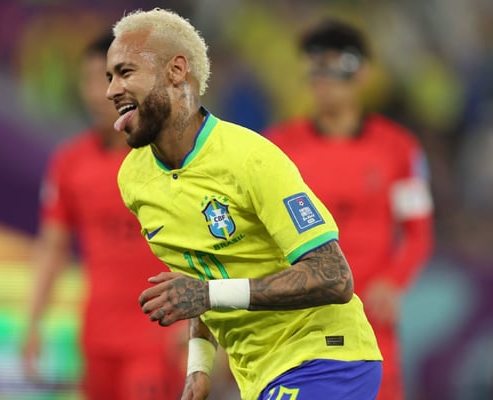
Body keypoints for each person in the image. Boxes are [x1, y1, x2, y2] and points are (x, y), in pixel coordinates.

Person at [105, 8, 383, 400]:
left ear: (176, 71)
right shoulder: (134, 180)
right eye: (109, 77)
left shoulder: (250, 158)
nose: (111, 90)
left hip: (326, 358)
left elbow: (334, 277)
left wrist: (207, 295)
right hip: (259, 376)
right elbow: (197, 280)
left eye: (125, 72)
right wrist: (199, 369)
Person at [263, 19, 434, 400]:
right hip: (300, 321)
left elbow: (419, 233)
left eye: (334, 66)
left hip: (371, 321)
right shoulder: (275, 149)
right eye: (314, 66)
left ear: (363, 73)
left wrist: (394, 282)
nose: (322, 79)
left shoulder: (399, 149)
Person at [21, 32, 185, 400]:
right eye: (90, 80)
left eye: (109, 79)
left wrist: (199, 320)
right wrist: (33, 323)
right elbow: (53, 246)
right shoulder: (70, 163)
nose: (99, 93)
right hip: (97, 338)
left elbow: (205, 242)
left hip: (157, 336)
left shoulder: (171, 159)